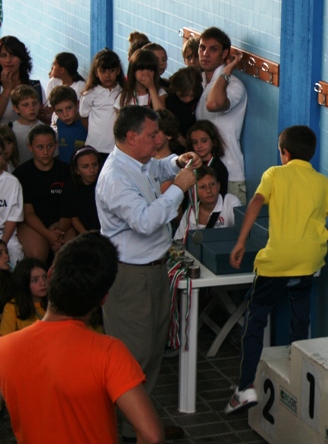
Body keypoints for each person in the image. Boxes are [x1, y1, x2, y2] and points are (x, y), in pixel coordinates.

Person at [225, 125, 328, 414]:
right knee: (300, 317)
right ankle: (301, 377)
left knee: (255, 319)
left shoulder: (274, 174)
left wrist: (241, 241)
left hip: (277, 262)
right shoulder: (322, 182)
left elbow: (256, 202)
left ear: (284, 153)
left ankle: (245, 386)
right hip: (308, 262)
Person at [96, 105, 200, 441]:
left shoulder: (136, 162)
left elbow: (155, 167)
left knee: (153, 351)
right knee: (132, 358)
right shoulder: (115, 178)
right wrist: (178, 188)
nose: (159, 140)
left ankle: (137, 425)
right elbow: (144, 221)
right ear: (131, 136)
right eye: (153, 135)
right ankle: (123, 430)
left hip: (154, 270)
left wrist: (176, 163)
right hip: (130, 277)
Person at [0, 231, 164, 444]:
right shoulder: (109, 352)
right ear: (103, 298)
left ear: (50, 274)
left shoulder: (5, 348)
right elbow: (152, 436)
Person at [197, 27, 247, 204]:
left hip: (230, 172)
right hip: (204, 172)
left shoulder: (234, 85)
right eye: (202, 48)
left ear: (225, 53)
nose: (205, 54)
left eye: (213, 49)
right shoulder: (199, 83)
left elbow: (213, 104)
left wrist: (226, 72)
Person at [13, 125, 76, 262]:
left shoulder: (66, 171)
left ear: (56, 145)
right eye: (40, 147)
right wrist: (48, 234)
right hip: (32, 225)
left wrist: (60, 229)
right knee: (37, 254)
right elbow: (28, 213)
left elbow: (69, 207)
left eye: (50, 146)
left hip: (61, 223)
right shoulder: (22, 173)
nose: (46, 152)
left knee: (69, 254)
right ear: (30, 147)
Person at [80, 49, 125, 162]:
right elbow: (84, 117)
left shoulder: (123, 91)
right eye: (103, 71)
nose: (107, 75)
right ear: (96, 73)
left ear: (118, 71)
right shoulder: (90, 93)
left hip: (117, 147)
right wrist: (96, 134)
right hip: (95, 146)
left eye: (112, 71)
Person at [175, 166, 240, 242]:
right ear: (194, 191)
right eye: (203, 187)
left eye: (212, 184)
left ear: (218, 186)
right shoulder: (190, 212)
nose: (209, 190)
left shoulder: (231, 202)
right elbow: (178, 241)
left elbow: (243, 232)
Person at [0, 36, 44, 126]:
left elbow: (43, 122)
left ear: (21, 58)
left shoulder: (35, 87)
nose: (8, 60)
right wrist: (6, 90)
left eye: (13, 55)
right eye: (3, 55)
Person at [0, 258, 48, 336]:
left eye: (45, 277)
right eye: (35, 280)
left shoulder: (55, 301)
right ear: (23, 283)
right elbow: (4, 338)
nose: (43, 283)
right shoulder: (12, 307)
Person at [187, 119, 229, 196]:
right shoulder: (189, 166)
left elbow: (221, 196)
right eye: (195, 142)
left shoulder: (219, 168)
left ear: (213, 142)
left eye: (204, 141)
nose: (199, 146)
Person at [43, 52, 86, 125]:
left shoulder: (80, 86)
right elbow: (51, 109)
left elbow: (81, 112)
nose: (52, 67)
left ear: (62, 70)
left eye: (54, 64)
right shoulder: (52, 82)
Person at [51, 85, 88, 164]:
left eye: (69, 108)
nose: (65, 114)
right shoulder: (59, 122)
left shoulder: (86, 123)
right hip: (64, 168)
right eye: (60, 111)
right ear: (54, 111)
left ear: (77, 104)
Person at [166, 66, 202, 146]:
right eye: (184, 96)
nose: (188, 99)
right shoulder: (171, 102)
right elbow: (172, 130)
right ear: (176, 89)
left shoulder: (200, 96)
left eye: (192, 96)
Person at [0, 145, 24, 266]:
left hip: (6, 236)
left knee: (15, 255)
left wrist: (2, 245)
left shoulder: (12, 182)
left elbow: (12, 219)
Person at [10, 85, 45, 165]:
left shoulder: (45, 129)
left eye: (34, 103)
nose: (31, 108)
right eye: (26, 105)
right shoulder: (11, 129)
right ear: (16, 108)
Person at [70, 146, 102, 233]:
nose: (92, 170)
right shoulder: (72, 189)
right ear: (77, 170)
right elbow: (74, 218)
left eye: (95, 165)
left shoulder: (105, 186)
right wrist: (88, 236)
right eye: (85, 166)